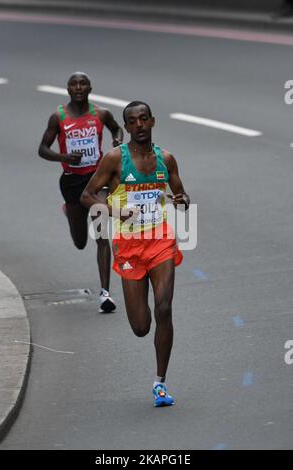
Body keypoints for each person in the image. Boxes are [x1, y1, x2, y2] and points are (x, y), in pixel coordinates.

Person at [80, 101, 190, 407]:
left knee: (164, 308)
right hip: (129, 247)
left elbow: (182, 197)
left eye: (144, 118)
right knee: (141, 327)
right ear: (126, 127)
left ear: (152, 121)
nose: (139, 124)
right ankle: (150, 337)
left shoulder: (165, 159)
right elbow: (86, 196)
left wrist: (182, 199)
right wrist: (114, 208)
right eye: (133, 121)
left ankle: (160, 384)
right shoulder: (114, 159)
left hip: (160, 242)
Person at [38, 72, 123, 312]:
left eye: (82, 83)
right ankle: (70, 212)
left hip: (96, 181)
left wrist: (117, 141)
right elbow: (42, 149)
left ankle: (105, 293)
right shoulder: (59, 117)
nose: (78, 87)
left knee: (102, 235)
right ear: (68, 90)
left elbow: (117, 130)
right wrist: (63, 157)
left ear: (90, 88)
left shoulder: (101, 114)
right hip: (71, 182)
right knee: (80, 242)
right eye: (73, 84)